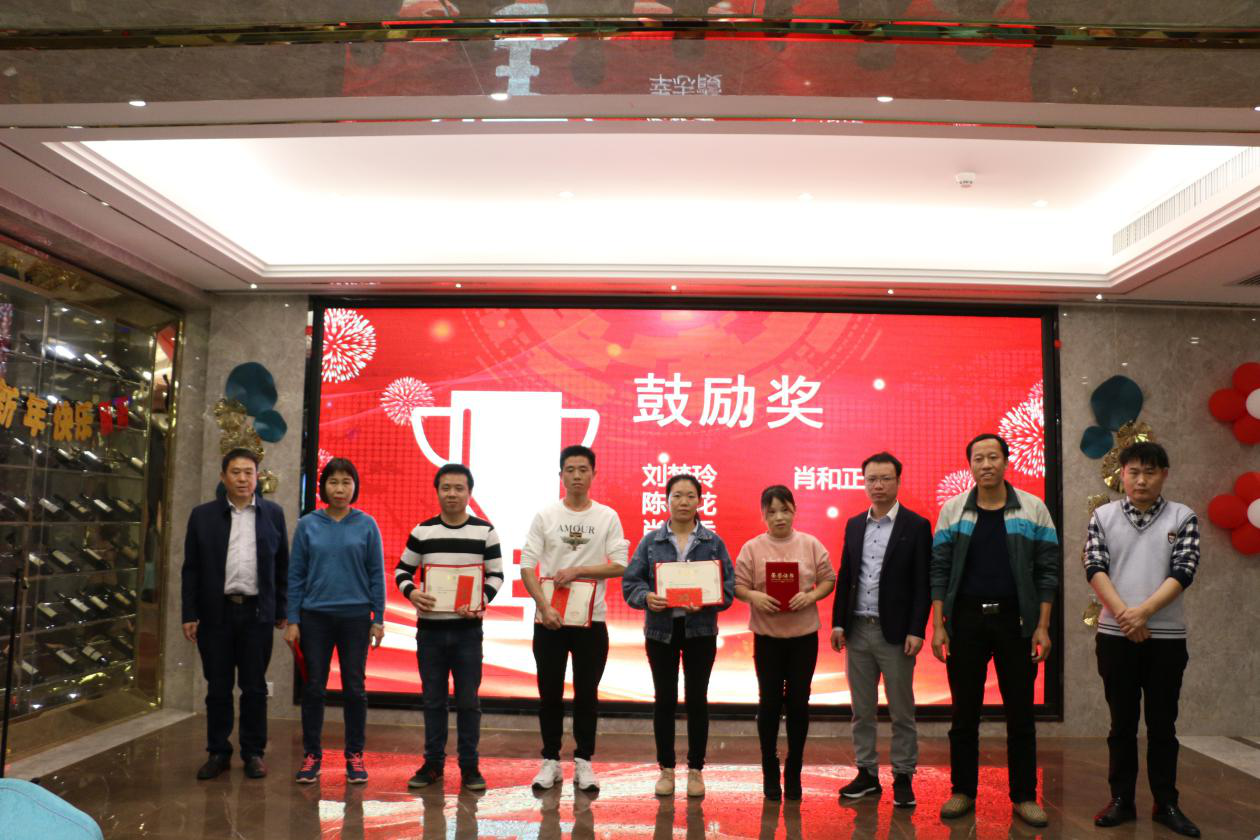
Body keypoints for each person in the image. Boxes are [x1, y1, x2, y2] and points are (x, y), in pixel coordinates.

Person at [930, 433, 1059, 827]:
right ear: (970, 464)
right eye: (978, 458)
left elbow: (1048, 572)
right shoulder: (953, 510)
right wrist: (938, 626)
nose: (985, 464)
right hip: (966, 621)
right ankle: (962, 791)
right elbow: (939, 570)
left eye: (993, 457)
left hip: (1016, 622)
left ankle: (1024, 796)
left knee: (1020, 714)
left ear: (1006, 461)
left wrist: (1042, 626)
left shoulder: (1033, 509)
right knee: (963, 714)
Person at [1084, 442, 1201, 838]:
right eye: (1133, 472)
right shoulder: (1103, 516)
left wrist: (1143, 613)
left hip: (1166, 637)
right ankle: (1121, 800)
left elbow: (1184, 571)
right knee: (1121, 723)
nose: (1141, 480)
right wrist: (1125, 616)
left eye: (1150, 472)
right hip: (1115, 636)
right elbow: (1094, 567)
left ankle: (1166, 803)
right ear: (1122, 475)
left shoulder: (1182, 516)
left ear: (1164, 474)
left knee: (1163, 724)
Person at [520, 445, 628, 793]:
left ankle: (584, 761)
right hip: (549, 620)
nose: (577, 476)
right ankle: (550, 760)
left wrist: (580, 570)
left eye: (583, 469)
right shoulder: (545, 516)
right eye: (570, 470)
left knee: (587, 694)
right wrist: (543, 606)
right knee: (549, 693)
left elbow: (620, 565)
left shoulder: (607, 517)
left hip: (591, 622)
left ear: (594, 474)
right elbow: (527, 566)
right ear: (561, 475)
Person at [624, 473, 736, 799]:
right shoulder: (651, 541)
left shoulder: (713, 543)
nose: (683, 502)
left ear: (700, 501)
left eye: (690, 496)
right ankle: (667, 769)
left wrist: (710, 598)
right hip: (661, 632)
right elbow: (631, 582)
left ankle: (696, 770)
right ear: (667, 500)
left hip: (700, 631)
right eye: (677, 495)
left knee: (697, 699)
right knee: (664, 700)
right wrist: (647, 597)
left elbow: (728, 588)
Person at [180, 448, 289, 780]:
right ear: (223, 477)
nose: (243, 479)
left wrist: (281, 608)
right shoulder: (202, 516)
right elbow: (191, 569)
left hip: (257, 613)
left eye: (249, 473)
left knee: (254, 688)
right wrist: (189, 613)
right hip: (216, 614)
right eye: (236, 472)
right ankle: (218, 751)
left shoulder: (273, 514)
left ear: (257, 477)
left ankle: (253, 753)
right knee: (218, 687)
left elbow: (282, 566)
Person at [831, 452, 932, 808]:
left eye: (885, 478)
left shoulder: (916, 526)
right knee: (862, 709)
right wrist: (838, 622)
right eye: (871, 479)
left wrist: (917, 629)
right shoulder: (854, 525)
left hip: (896, 634)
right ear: (864, 483)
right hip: (858, 629)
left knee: (902, 710)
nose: (878, 485)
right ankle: (867, 774)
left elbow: (922, 583)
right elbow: (846, 575)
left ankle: (903, 775)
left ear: (898, 481)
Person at [395, 463, 504, 792]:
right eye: (446, 488)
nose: (452, 494)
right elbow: (402, 571)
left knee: (469, 701)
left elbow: (497, 575)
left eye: (459, 488)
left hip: (468, 631)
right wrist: (412, 593)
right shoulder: (423, 531)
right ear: (437, 491)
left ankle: (470, 767)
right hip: (430, 631)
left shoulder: (485, 531)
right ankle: (433, 764)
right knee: (433, 701)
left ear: (469, 493)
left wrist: (480, 600)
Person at [284, 457, 386, 785]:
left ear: (355, 487)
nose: (339, 488)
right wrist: (293, 619)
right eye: (333, 482)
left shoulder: (367, 525)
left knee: (354, 688)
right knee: (314, 687)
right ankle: (312, 755)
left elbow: (376, 574)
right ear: (323, 487)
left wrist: (379, 618)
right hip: (315, 618)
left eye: (346, 482)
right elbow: (296, 575)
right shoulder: (307, 524)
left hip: (356, 618)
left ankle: (355, 755)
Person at [734, 484, 834, 801]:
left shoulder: (810, 544)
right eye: (772, 511)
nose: (779, 517)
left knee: (799, 704)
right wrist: (754, 596)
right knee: (769, 703)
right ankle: (769, 767)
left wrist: (811, 596)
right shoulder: (752, 548)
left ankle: (794, 769)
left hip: (803, 638)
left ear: (794, 511)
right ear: (763, 515)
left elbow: (829, 579)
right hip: (768, 639)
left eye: (785, 510)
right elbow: (738, 585)